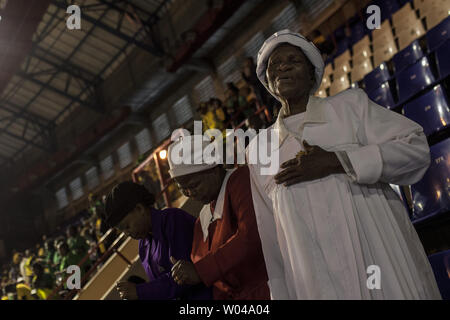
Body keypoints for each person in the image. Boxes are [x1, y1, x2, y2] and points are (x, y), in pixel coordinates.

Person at [246, 29, 442, 299]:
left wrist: (340, 160)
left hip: (380, 264)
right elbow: (270, 237)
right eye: (273, 64)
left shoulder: (349, 107)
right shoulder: (258, 149)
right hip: (317, 285)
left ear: (312, 72)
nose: (282, 66)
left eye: (293, 59)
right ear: (266, 80)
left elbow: (416, 148)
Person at [168, 136, 270, 300]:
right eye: (183, 190)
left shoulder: (240, 180)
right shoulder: (203, 217)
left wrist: (201, 270)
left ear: (213, 169)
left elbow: (250, 235)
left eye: (193, 186)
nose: (190, 194)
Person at [104, 181, 212, 300]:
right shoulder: (143, 248)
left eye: (127, 226)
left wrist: (139, 291)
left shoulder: (173, 221)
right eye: (123, 230)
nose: (127, 233)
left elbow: (184, 279)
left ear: (139, 209)